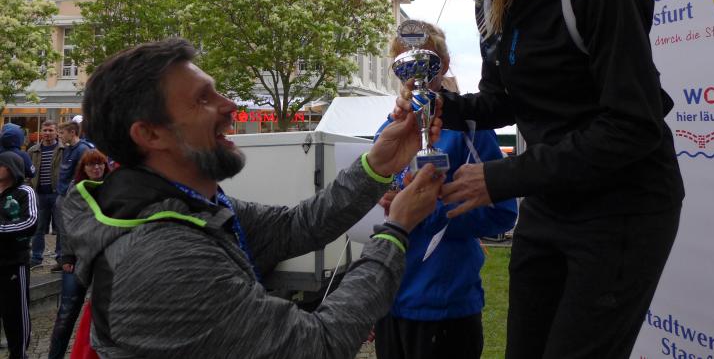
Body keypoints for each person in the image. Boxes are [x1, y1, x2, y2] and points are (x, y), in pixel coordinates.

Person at [401, 0, 685, 359]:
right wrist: (439, 103)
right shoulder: (490, 1)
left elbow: (634, 124)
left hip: (624, 206)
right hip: (551, 201)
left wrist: (502, 177)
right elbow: (502, 101)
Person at [60, 37, 445, 358]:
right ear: (150, 134)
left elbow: (295, 227)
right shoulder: (162, 255)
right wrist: (395, 232)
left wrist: (379, 163)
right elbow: (318, 345)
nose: (231, 106)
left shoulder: (184, 208)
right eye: (203, 99)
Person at [374, 21, 518, 359]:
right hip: (390, 302)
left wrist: (428, 211)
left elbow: (503, 213)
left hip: (445, 306)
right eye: (404, 64)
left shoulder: (472, 131)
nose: (414, 77)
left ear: (444, 64)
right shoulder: (389, 129)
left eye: (424, 63)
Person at [49, 149, 109, 359]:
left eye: (100, 164)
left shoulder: (113, 188)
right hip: (76, 259)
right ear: (83, 168)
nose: (97, 168)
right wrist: (66, 256)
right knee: (67, 312)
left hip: (103, 259)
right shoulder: (75, 191)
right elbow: (66, 226)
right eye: (91, 164)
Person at [0, 151, 39, 359]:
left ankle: (18, 355)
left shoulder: (24, 192)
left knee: (15, 313)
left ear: (11, 167)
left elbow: (30, 222)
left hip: (14, 262)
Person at [52, 121, 91, 272]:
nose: (59, 136)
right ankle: (64, 259)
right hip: (62, 195)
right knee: (62, 230)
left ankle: (76, 261)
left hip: (73, 198)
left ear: (72, 133)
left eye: (62, 133)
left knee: (73, 229)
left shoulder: (83, 149)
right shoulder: (67, 149)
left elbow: (84, 175)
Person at [27, 120, 65, 268]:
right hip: (39, 195)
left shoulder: (64, 150)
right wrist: (30, 187)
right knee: (38, 228)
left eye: (50, 130)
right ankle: (36, 258)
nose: (47, 133)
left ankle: (61, 257)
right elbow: (27, 172)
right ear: (41, 132)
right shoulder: (33, 150)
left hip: (58, 194)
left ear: (56, 132)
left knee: (61, 228)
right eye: (45, 130)